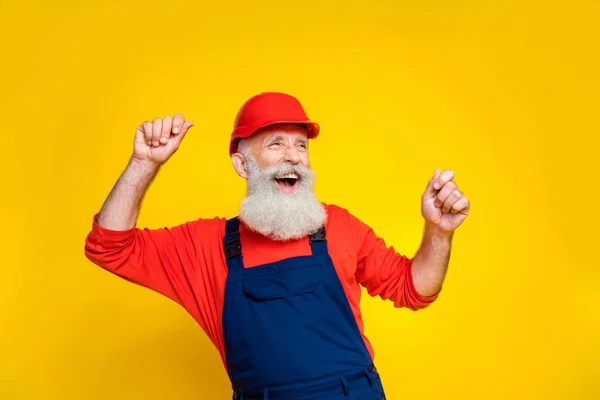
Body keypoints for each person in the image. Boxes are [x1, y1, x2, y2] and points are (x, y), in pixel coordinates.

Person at [84, 92, 470, 400]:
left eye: (301, 146)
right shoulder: (206, 245)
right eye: (275, 143)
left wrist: (438, 233)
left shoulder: (340, 226)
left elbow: (414, 288)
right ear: (242, 165)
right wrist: (143, 163)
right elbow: (110, 247)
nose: (293, 156)